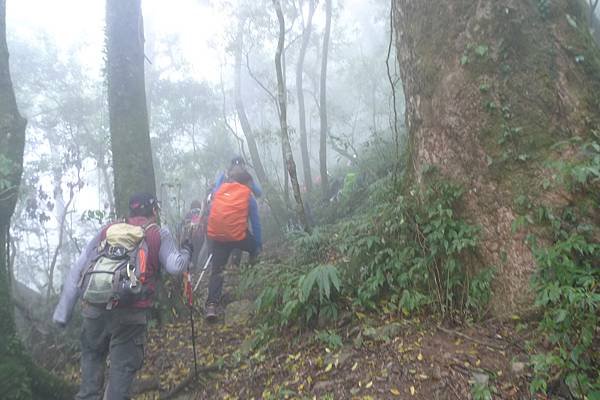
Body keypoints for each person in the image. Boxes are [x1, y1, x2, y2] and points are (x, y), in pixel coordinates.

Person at [52, 192, 193, 400]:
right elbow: (175, 266)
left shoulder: (108, 230)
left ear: (130, 211)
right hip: (131, 311)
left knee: (91, 359)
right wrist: (187, 251)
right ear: (154, 211)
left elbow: (78, 269)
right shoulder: (157, 233)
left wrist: (62, 314)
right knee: (121, 371)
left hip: (94, 308)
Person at [205, 168, 262, 321]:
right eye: (250, 184)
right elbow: (256, 224)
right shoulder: (248, 197)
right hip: (238, 237)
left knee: (216, 271)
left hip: (219, 238)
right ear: (246, 183)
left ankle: (211, 305)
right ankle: (251, 281)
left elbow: (214, 195)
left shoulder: (221, 190)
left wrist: (221, 176)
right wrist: (258, 245)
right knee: (254, 248)